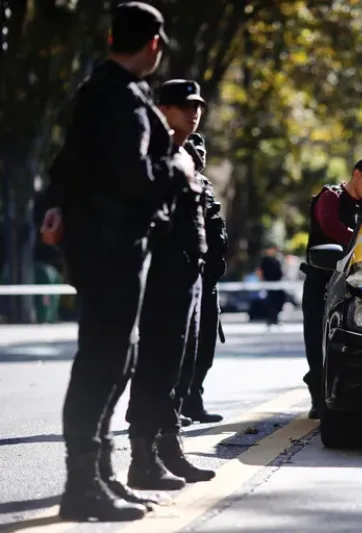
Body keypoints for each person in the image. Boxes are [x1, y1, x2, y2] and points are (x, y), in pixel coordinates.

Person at [39, 2, 196, 522]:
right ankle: (82, 485)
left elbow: (67, 162)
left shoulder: (96, 91)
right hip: (113, 249)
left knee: (114, 360)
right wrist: (177, 166)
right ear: (153, 44)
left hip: (104, 247)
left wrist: (54, 207)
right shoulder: (123, 100)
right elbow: (135, 181)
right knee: (102, 364)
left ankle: (99, 476)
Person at [124, 79, 214, 490]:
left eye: (196, 105)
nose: (193, 112)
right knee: (155, 364)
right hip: (160, 273)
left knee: (181, 364)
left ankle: (169, 446)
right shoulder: (150, 151)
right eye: (183, 105)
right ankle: (142, 456)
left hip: (188, 274)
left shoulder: (185, 153)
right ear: (162, 108)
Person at [300, 157, 362, 418]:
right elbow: (330, 226)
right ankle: (317, 396)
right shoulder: (330, 196)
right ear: (356, 174)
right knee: (316, 343)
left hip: (351, 285)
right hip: (320, 282)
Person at [180, 131, 228, 424]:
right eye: (194, 149)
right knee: (180, 345)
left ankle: (192, 400)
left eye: (203, 149)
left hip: (208, 279)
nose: (201, 154)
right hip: (185, 275)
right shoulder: (176, 181)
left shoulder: (205, 185)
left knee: (205, 344)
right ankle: (169, 405)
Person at [258, 243, 285, 326]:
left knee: (278, 301)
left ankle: (275, 318)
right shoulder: (265, 260)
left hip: (277, 285)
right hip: (269, 284)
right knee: (270, 302)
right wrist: (262, 281)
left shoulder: (277, 259)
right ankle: (270, 320)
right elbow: (260, 271)